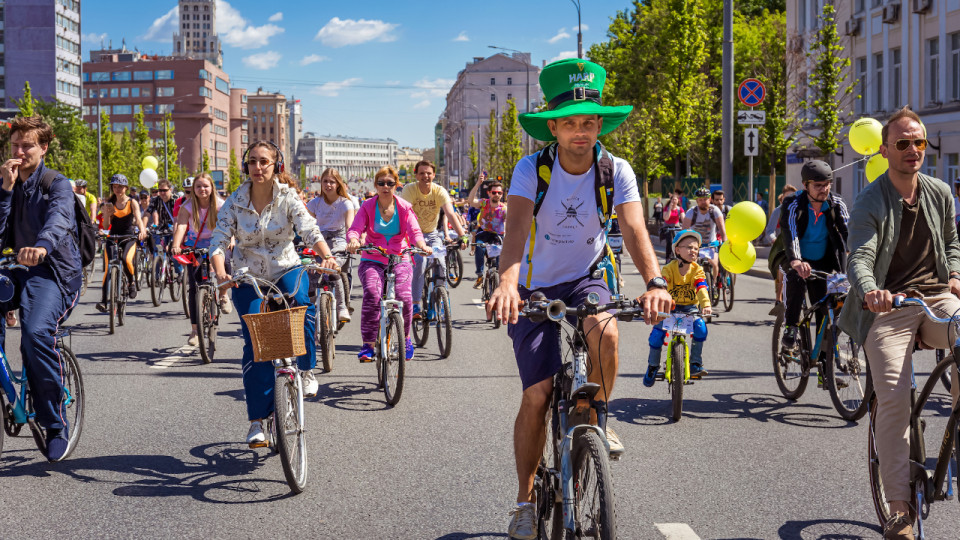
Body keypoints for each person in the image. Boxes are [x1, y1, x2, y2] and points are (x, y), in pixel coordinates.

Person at [485, 58, 673, 540]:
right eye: (570, 122)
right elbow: (516, 230)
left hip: (587, 277)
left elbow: (633, 229)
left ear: (599, 125)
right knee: (538, 394)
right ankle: (525, 500)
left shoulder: (616, 170)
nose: (581, 131)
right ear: (553, 126)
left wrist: (655, 282)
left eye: (590, 122)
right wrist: (507, 283)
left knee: (606, 332)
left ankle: (595, 417)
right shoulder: (532, 169)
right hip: (533, 287)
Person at [837, 107, 960, 540]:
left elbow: (952, 242)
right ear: (886, 149)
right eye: (904, 143)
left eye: (919, 142)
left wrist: (957, 277)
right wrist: (872, 289)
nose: (913, 150)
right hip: (887, 310)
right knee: (893, 399)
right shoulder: (870, 199)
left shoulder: (940, 191)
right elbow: (861, 256)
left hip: (936, 300)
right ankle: (900, 509)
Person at [209, 141, 338, 446]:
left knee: (302, 307)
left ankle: (305, 369)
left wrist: (325, 255)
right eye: (252, 161)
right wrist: (221, 273)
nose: (258, 167)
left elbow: (309, 229)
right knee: (257, 344)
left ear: (276, 165)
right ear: (246, 166)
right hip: (248, 274)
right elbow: (217, 241)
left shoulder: (288, 196)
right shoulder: (234, 202)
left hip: (285, 267)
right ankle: (256, 420)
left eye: (264, 161)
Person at [0, 116, 83, 462]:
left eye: (27, 145)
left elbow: (60, 219)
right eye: (14, 145)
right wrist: (4, 191)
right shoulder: (4, 184)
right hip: (14, 269)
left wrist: (42, 246)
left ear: (43, 148)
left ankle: (54, 423)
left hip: (53, 272)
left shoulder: (56, 184)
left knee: (34, 333)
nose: (19, 152)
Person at [346, 166, 431, 361]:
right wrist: (353, 240)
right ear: (375, 185)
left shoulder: (404, 207)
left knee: (404, 296)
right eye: (382, 183)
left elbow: (415, 232)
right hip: (372, 258)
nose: (386, 187)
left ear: (396, 186)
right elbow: (355, 229)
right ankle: (368, 344)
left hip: (399, 257)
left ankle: (406, 338)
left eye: (390, 183)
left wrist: (422, 245)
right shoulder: (367, 206)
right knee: (373, 294)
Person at [779, 160, 849, 358]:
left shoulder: (836, 203)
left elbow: (848, 233)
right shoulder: (793, 203)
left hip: (824, 260)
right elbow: (791, 233)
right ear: (805, 185)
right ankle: (791, 326)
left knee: (827, 309)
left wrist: (857, 258)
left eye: (827, 184)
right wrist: (796, 261)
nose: (824, 189)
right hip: (796, 255)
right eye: (818, 186)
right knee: (796, 280)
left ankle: (824, 369)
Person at [399, 160, 466, 321]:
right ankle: (415, 304)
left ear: (434, 175)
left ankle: (439, 296)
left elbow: (450, 213)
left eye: (428, 173)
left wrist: (462, 235)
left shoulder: (439, 190)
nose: (425, 176)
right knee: (420, 264)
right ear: (416, 175)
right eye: (421, 173)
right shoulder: (410, 189)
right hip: (413, 235)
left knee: (441, 262)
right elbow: (404, 214)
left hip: (432, 234)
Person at [643, 229, 712, 385]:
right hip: (670, 309)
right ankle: (653, 366)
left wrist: (706, 305)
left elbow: (701, 288)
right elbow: (663, 287)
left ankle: (695, 363)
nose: (693, 250)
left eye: (696, 248)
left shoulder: (697, 270)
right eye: (688, 247)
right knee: (656, 335)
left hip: (690, 309)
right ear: (677, 250)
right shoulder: (669, 268)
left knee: (701, 328)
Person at [171, 173, 230, 346]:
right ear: (193, 189)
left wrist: (231, 240)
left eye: (205, 186)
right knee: (194, 288)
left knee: (225, 262)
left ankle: (224, 295)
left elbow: (228, 225)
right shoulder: (187, 206)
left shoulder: (220, 205)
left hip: (216, 241)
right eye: (198, 186)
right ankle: (195, 330)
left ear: (212, 188)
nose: (202, 189)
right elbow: (182, 225)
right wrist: (176, 244)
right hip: (194, 244)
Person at [306, 167, 355, 323]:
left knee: (332, 269)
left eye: (332, 182)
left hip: (338, 240)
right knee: (310, 273)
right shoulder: (315, 203)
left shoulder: (345, 203)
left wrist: (353, 240)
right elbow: (305, 224)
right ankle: (309, 309)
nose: (328, 185)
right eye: (325, 181)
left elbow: (350, 227)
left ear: (338, 184)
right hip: (319, 240)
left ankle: (342, 307)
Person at [96, 173, 147, 310]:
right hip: (113, 237)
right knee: (108, 268)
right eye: (115, 186)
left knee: (126, 259)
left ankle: (131, 282)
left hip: (128, 237)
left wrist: (142, 231)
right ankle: (104, 301)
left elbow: (138, 218)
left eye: (121, 187)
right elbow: (106, 227)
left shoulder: (132, 202)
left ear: (126, 188)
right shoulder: (110, 203)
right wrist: (106, 214)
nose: (117, 189)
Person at [467, 177, 506, 288]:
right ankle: (480, 276)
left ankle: (497, 278)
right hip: (483, 233)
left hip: (497, 235)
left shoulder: (504, 208)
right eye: (494, 192)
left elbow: (508, 223)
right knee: (479, 247)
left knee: (499, 262)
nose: (497, 194)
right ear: (489, 193)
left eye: (499, 192)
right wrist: (478, 183)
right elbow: (470, 201)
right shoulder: (484, 203)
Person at [682, 187, 726, 282]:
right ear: (697, 201)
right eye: (700, 200)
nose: (703, 202)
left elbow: (722, 230)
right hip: (696, 246)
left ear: (709, 200)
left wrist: (724, 242)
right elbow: (684, 232)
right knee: (692, 265)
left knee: (714, 264)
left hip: (711, 244)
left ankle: (713, 284)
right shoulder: (691, 212)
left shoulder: (714, 211)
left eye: (705, 199)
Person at [660, 193, 685, 262]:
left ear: (678, 200)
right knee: (669, 241)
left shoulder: (680, 209)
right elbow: (666, 218)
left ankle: (679, 256)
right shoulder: (666, 208)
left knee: (679, 242)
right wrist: (670, 210)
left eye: (675, 199)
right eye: (673, 199)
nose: (674, 201)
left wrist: (685, 225)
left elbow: (684, 219)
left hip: (676, 226)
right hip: (667, 227)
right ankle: (668, 257)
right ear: (671, 200)